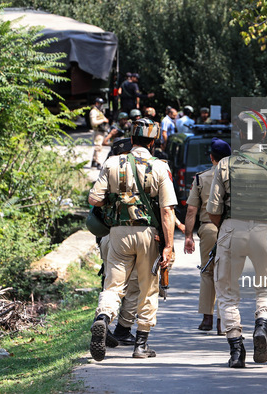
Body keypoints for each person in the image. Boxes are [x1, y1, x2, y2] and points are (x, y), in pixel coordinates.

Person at [206, 111, 267, 368]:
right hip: (265, 231)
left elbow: (213, 210)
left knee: (226, 291)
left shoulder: (225, 164)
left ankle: (236, 349)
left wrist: (225, 228)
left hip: (231, 230)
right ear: (264, 134)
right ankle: (262, 324)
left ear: (239, 134)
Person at [87, 118, 177, 361]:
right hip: (148, 234)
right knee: (148, 287)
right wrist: (168, 246)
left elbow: (94, 199)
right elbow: (168, 211)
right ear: (153, 140)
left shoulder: (112, 162)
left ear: (131, 137)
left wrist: (116, 203)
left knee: (113, 285)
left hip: (117, 232)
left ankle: (103, 318)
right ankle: (141, 346)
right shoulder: (159, 166)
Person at [184, 138, 232, 334]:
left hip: (208, 228)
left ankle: (207, 319)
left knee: (207, 272)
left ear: (211, 158)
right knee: (226, 275)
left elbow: (191, 210)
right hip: (231, 229)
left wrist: (188, 236)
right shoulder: (236, 177)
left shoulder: (201, 178)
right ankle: (223, 322)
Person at [90, 97, 109, 170]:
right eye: (100, 104)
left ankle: (94, 161)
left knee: (99, 147)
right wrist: (103, 120)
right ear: (96, 103)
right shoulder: (93, 112)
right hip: (97, 131)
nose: (101, 105)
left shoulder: (99, 111)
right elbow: (93, 122)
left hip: (101, 131)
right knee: (98, 147)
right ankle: (98, 163)